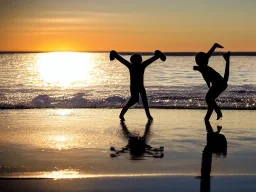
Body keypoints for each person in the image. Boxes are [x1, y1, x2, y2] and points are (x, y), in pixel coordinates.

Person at [110, 50, 166, 121]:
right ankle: (123, 114)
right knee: (138, 100)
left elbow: (121, 59)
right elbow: (151, 60)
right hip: (137, 86)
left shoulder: (131, 66)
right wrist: (157, 56)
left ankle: (147, 115)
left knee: (140, 100)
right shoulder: (141, 65)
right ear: (140, 60)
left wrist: (114, 54)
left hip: (136, 86)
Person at [193, 43, 230, 121]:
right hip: (221, 83)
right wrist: (214, 46)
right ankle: (207, 118)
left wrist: (214, 46)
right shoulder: (204, 67)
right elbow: (207, 56)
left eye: (197, 60)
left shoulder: (203, 67)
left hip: (218, 84)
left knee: (208, 99)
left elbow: (207, 56)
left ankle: (218, 112)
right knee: (210, 100)